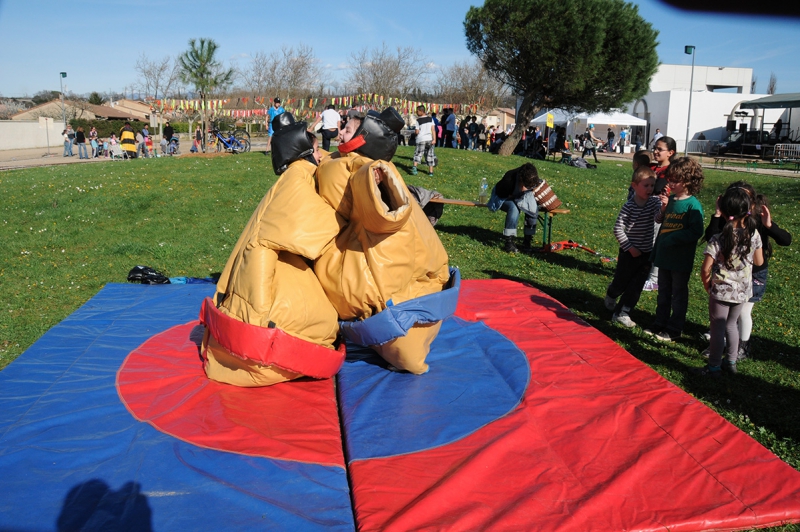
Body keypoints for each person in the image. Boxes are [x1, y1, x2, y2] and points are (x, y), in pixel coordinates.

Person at [201, 112, 342, 387]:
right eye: (316, 150)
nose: (323, 155)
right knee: (325, 322)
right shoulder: (300, 179)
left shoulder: (292, 177)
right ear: (303, 151)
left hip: (249, 299)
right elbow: (324, 226)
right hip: (264, 324)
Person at [315, 107, 454, 375]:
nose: (339, 133)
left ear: (363, 138)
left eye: (346, 130)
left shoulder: (362, 170)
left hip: (397, 297)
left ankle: (403, 349)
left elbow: (381, 214)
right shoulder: (345, 163)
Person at [702, 183, 792, 361]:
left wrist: (769, 225)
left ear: (751, 204)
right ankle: (726, 345)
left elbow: (785, 240)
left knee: (742, 312)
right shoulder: (728, 219)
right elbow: (711, 235)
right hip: (730, 273)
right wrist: (718, 215)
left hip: (754, 273)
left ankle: (742, 346)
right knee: (728, 314)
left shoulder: (757, 220)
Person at [694, 187, 764, 377]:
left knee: (717, 327)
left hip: (721, 290)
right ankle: (731, 362)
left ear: (723, 211)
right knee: (732, 325)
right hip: (742, 291)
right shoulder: (754, 234)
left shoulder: (719, 238)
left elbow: (706, 268)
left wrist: (706, 283)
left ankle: (714, 365)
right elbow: (759, 262)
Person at [644, 157, 705, 342]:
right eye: (670, 178)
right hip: (664, 257)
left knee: (678, 295)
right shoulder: (670, 200)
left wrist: (674, 238)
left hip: (680, 260)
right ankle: (660, 322)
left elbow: (696, 231)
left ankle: (674, 328)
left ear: (688, 181)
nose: (670, 183)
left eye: (675, 180)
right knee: (663, 292)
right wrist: (663, 210)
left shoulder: (693, 205)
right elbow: (660, 223)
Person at [605, 167, 662, 328]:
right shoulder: (629, 206)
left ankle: (623, 312)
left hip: (646, 253)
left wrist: (664, 209)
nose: (650, 189)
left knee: (636, 286)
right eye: (646, 185)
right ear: (635, 186)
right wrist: (629, 247)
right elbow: (617, 228)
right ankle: (612, 293)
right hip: (628, 253)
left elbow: (658, 219)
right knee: (621, 282)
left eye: (652, 185)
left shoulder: (654, 203)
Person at [642, 135, 678, 291]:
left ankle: (655, 278)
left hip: (660, 211)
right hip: (645, 209)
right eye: (655, 148)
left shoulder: (671, 172)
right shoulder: (651, 167)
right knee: (645, 241)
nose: (655, 151)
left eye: (659, 149)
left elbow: (666, 191)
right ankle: (644, 272)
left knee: (656, 243)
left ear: (670, 152)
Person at [487, 163, 540, 253]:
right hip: (502, 197)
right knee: (514, 208)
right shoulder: (508, 180)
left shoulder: (531, 176)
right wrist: (518, 199)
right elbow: (501, 195)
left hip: (520, 196)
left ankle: (527, 241)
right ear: (521, 181)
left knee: (532, 208)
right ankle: (509, 242)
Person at [411, 105, 437, 176]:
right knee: (430, 155)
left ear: (422, 111)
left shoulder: (418, 120)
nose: (416, 112)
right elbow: (433, 130)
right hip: (429, 139)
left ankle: (414, 168)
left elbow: (417, 131)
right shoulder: (431, 119)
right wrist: (434, 139)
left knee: (418, 154)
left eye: (417, 111)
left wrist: (415, 134)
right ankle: (431, 172)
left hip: (421, 139)